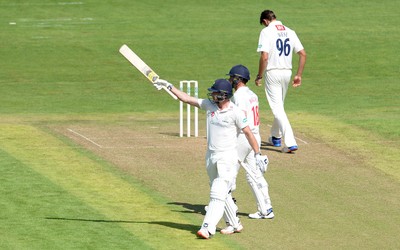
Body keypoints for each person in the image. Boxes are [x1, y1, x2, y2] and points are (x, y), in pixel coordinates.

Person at [154, 78, 269, 239]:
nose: (212, 94)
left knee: (217, 193)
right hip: (211, 156)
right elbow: (186, 98)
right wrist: (169, 86)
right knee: (222, 192)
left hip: (227, 158)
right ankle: (235, 224)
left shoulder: (236, 112)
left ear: (224, 95)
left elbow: (249, 133)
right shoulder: (209, 106)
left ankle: (208, 227)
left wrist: (258, 154)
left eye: (216, 92)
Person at [227, 64, 274, 220]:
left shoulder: (238, 97)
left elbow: (239, 119)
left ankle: (227, 204)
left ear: (238, 79)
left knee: (229, 171)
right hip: (255, 136)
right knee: (254, 175)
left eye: (231, 77)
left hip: (244, 136)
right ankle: (266, 208)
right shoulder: (253, 94)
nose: (229, 80)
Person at [255, 9, 307, 153]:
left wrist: (259, 76)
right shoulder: (290, 31)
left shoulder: (266, 32)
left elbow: (264, 57)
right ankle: (275, 137)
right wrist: (299, 75)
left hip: (273, 72)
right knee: (279, 106)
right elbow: (303, 54)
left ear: (265, 21)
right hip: (287, 73)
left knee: (277, 108)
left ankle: (290, 142)